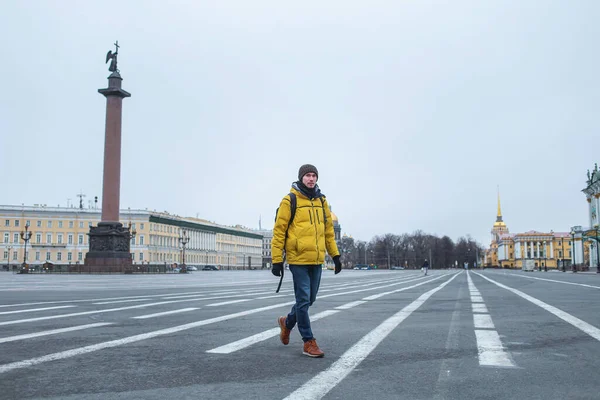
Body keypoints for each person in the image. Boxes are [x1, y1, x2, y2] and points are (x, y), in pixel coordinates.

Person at [272, 164, 341, 358]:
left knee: (309, 299)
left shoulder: (322, 201)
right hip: (298, 258)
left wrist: (335, 255)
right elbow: (279, 231)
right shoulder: (290, 200)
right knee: (303, 300)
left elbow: (328, 231)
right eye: (307, 176)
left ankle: (287, 322)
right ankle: (308, 342)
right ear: (301, 178)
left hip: (316, 259)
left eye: (314, 176)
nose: (311, 179)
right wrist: (277, 259)